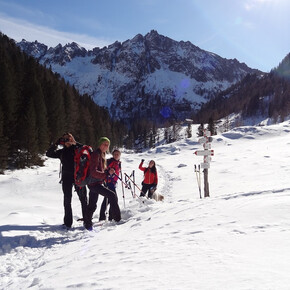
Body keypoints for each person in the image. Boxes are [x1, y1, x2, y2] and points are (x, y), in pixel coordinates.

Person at [46, 132, 87, 229]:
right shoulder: (62, 152)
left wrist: (75, 143)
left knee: (83, 198)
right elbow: (49, 154)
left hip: (78, 177)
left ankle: (87, 219)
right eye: (65, 139)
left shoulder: (78, 149)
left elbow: (87, 149)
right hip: (66, 177)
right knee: (67, 200)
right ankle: (68, 222)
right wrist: (55, 144)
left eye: (69, 138)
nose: (67, 140)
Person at [84, 137, 121, 230]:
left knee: (92, 204)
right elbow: (93, 172)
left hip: (95, 183)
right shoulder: (96, 154)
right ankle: (118, 219)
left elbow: (101, 169)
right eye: (104, 144)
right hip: (94, 183)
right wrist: (106, 174)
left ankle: (87, 222)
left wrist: (107, 170)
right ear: (100, 144)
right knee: (112, 196)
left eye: (107, 145)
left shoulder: (101, 154)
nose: (106, 146)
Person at [99, 148, 121, 221]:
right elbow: (104, 168)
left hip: (113, 182)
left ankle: (104, 217)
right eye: (115, 154)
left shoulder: (118, 162)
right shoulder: (110, 161)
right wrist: (109, 170)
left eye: (118, 154)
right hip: (108, 182)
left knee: (107, 199)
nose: (116, 155)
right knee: (113, 198)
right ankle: (111, 217)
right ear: (113, 155)